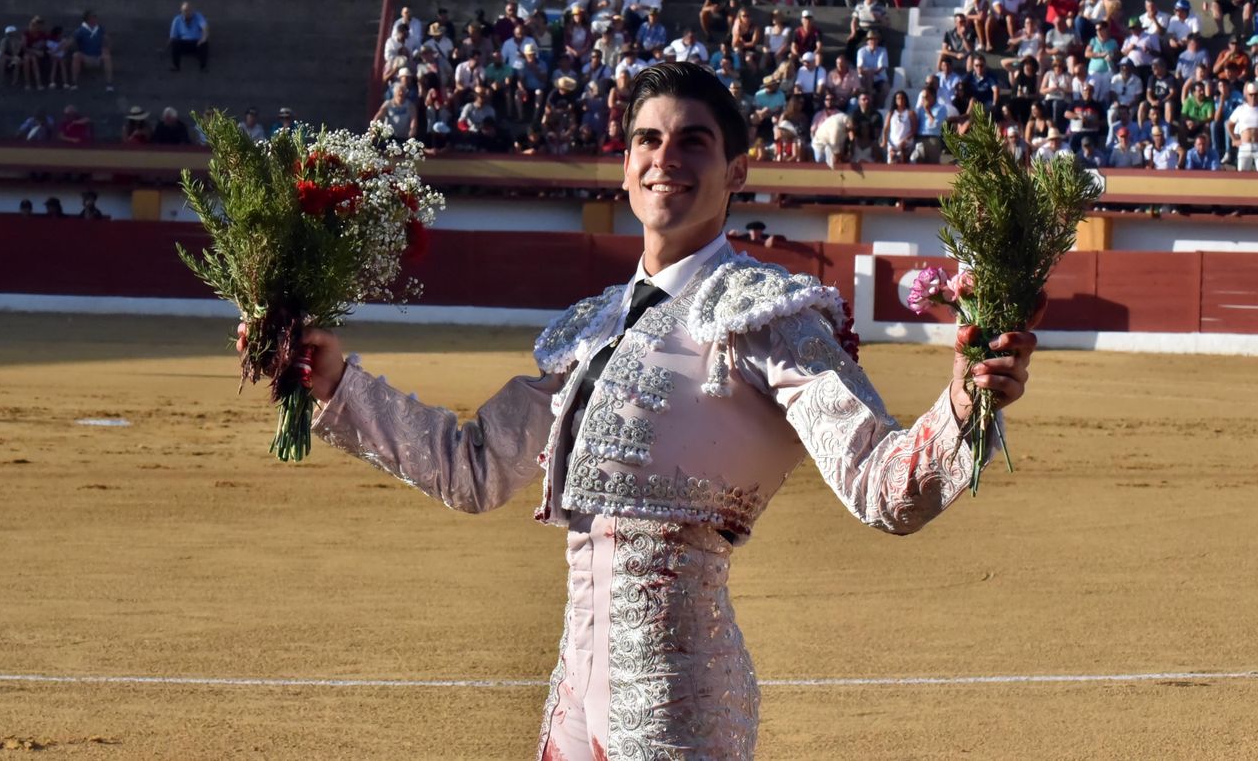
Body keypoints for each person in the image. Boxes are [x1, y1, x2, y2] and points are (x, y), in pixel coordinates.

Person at [257, 62, 1038, 760]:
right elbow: (474, 471)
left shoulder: (767, 317)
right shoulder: (593, 326)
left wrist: (967, 401)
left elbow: (884, 486)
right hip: (574, 695)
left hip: (679, 705)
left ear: (736, 171)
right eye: (648, 141)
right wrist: (335, 382)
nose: (665, 158)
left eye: (693, 142)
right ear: (627, 168)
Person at [68, 9, 115, 91]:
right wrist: (59, 49)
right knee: (76, 55)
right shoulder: (80, 30)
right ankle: (74, 83)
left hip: (98, 56)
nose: (95, 18)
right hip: (85, 56)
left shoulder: (100, 29)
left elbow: (107, 39)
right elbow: (70, 41)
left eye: (95, 16)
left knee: (107, 57)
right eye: (93, 16)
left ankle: (109, 83)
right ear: (88, 18)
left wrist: (107, 49)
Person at [168, 1, 209, 72]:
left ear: (192, 10)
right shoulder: (177, 20)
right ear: (181, 11)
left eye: (190, 10)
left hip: (196, 43)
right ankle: (176, 66)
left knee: (204, 43)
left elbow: (205, 28)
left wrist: (203, 38)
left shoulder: (198, 16)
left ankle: (203, 67)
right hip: (183, 42)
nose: (188, 12)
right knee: (175, 42)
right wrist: (169, 45)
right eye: (185, 10)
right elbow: (173, 36)